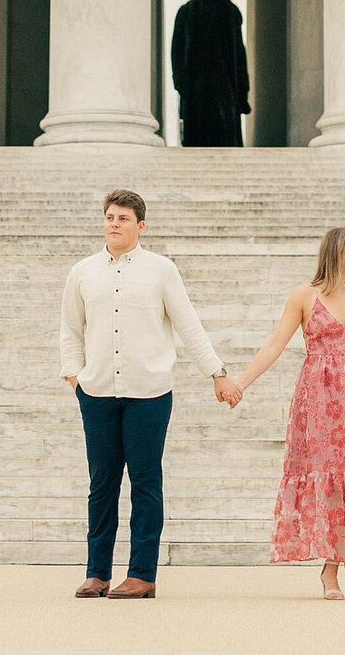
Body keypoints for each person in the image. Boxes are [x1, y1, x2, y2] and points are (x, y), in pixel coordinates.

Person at [59, 188, 242, 599]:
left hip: (150, 393)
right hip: (98, 392)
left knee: (145, 482)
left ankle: (142, 574)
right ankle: (97, 573)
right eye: (109, 216)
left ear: (140, 226)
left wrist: (218, 373)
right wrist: (75, 378)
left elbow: (188, 325)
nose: (114, 224)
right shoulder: (83, 272)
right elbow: (71, 329)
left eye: (123, 218)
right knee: (101, 484)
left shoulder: (162, 270)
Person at [234, 226, 345, 599]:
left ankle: (341, 569)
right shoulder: (304, 296)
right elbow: (274, 345)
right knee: (330, 481)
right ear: (340, 252)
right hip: (318, 402)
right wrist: (241, 383)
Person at [170, 0, 250, 146]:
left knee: (226, 120)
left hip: (223, 73)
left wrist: (243, 88)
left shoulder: (230, 12)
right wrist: (179, 79)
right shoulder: (185, 12)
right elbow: (177, 49)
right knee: (198, 119)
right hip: (196, 74)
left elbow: (238, 51)